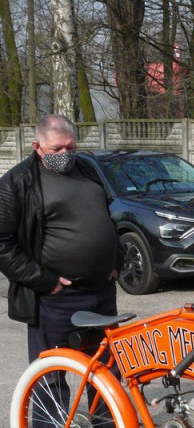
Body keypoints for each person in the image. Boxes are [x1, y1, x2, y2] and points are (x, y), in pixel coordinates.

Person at [0, 114, 120, 361]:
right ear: (37, 146)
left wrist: (115, 262)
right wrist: (44, 280)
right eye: (56, 148)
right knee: (51, 371)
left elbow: (108, 216)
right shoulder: (18, 182)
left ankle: (103, 403)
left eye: (70, 147)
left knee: (105, 367)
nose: (65, 153)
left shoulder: (88, 169)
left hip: (102, 291)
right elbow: (2, 242)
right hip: (56, 297)